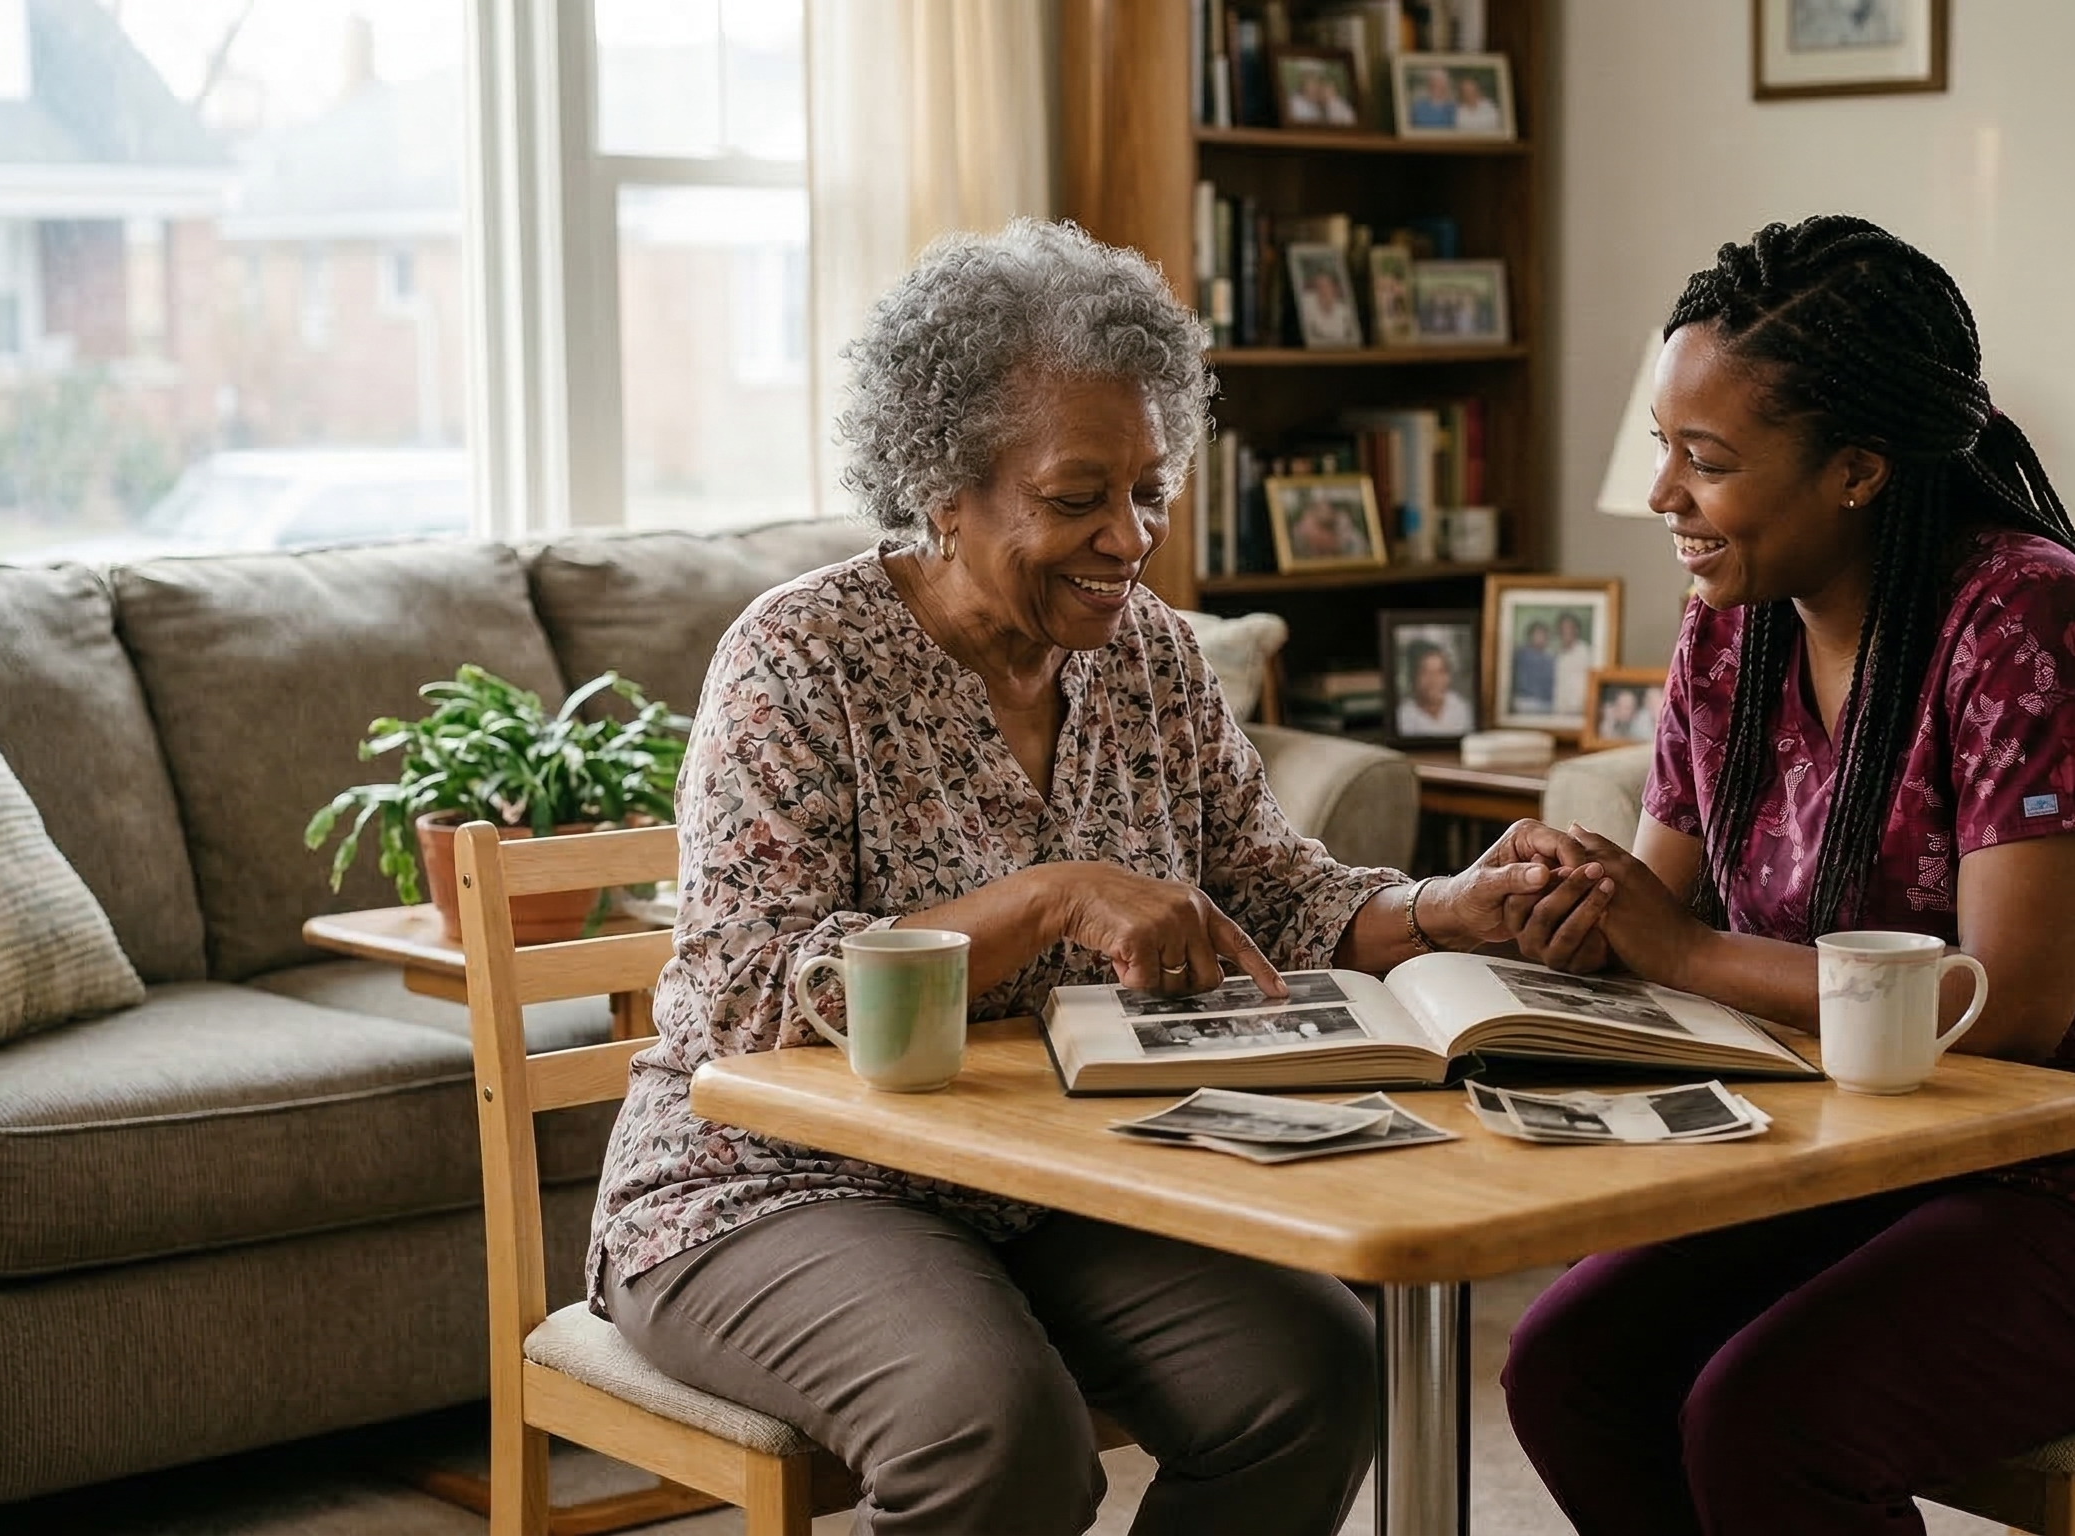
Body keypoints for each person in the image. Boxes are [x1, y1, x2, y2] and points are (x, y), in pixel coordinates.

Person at [589, 218, 1584, 1536]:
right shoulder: (798, 661)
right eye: (1077, 499)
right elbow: (745, 1004)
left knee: (1311, 1373)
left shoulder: (1152, 659)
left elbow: (1272, 891)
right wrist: (1054, 894)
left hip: (1055, 1180)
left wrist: (1439, 908)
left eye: (1150, 491)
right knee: (995, 1434)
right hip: (764, 1185)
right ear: (942, 489)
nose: (1131, 540)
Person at [1497, 216, 2075, 1535]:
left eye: (1707, 461)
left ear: (1858, 469)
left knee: (1770, 1417)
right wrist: (1564, 907)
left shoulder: (2027, 621)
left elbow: (2010, 1007)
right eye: (1662, 447)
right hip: (1852, 1167)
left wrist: (1672, 949)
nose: (1662, 497)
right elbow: (1661, 907)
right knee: (1568, 1367)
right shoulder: (1725, 627)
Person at [1396, 639, 1473, 737]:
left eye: (1440, 672)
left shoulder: (1461, 707)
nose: (1434, 680)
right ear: (1413, 676)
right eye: (1425, 673)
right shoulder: (1403, 717)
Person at [1550, 611, 1593, 719]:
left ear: (1576, 630)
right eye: (1563, 628)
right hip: (1560, 713)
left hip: (1580, 711)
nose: (1566, 631)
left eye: (1569, 628)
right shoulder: (1558, 655)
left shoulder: (1586, 652)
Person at [1510, 617, 1557, 712]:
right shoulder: (1520, 654)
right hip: (1524, 701)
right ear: (1530, 636)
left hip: (1546, 704)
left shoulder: (1550, 658)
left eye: (1544, 635)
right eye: (1537, 634)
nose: (1540, 638)